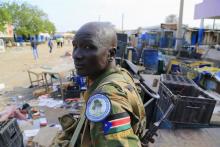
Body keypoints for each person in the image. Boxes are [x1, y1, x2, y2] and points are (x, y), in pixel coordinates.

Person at [55, 22, 146, 147]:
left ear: (111, 54)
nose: (76, 55)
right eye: (75, 46)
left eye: (88, 47)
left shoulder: (107, 98)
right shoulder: (120, 74)